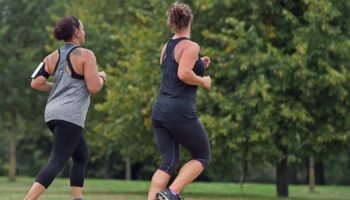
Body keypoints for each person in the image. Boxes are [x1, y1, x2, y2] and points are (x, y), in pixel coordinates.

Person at [24, 16, 106, 200]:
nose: (84, 32)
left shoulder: (51, 56)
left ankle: (77, 198)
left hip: (52, 114)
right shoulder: (86, 55)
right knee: (56, 161)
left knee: (81, 155)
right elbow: (94, 87)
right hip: (70, 116)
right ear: (76, 32)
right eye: (82, 29)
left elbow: (35, 83)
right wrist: (102, 76)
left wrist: (59, 87)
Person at [148, 2, 212, 200]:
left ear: (172, 22)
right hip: (179, 111)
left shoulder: (166, 47)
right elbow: (183, 73)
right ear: (190, 19)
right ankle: (171, 193)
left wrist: (200, 65)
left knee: (167, 162)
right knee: (202, 155)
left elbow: (171, 72)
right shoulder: (192, 46)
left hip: (159, 111)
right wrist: (203, 80)